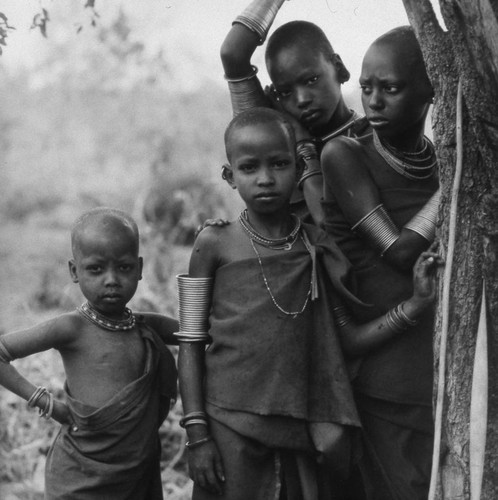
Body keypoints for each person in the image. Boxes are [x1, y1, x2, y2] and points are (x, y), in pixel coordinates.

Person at [177, 107, 441, 500]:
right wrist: (196, 432)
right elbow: (190, 340)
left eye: (280, 164)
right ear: (230, 177)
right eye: (250, 168)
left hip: (300, 425)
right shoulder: (213, 244)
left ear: (299, 169)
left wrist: (416, 307)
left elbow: (345, 339)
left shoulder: (316, 246)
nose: (266, 179)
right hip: (227, 419)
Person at [321, 26, 440, 500]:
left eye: (390, 89)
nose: (373, 101)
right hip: (382, 362)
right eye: (366, 87)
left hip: (435, 359)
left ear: (431, 91)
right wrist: (458, 183)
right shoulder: (344, 154)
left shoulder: (436, 160)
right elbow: (399, 251)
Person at [0, 207, 178, 500]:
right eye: (96, 269)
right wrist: (47, 403)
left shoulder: (146, 325)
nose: (111, 279)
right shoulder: (70, 327)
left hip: (136, 470)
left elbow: (198, 333)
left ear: (140, 267)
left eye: (124, 268)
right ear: (74, 271)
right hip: (81, 476)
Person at [220, 0, 370, 226]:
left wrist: (303, 144)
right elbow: (233, 54)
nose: (301, 100)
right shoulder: (274, 140)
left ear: (338, 67)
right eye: (285, 92)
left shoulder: (371, 139)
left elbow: (330, 227)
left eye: (311, 80)